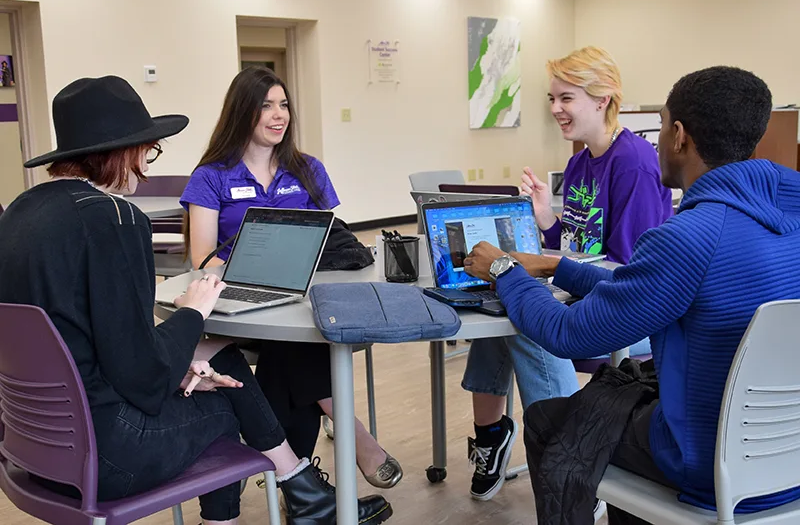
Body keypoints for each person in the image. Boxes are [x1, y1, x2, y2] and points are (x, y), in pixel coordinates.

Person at [0, 75, 393, 525]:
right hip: (106, 454)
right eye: (149, 150)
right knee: (231, 400)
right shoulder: (113, 220)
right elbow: (143, 380)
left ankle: (307, 495)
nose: (147, 165)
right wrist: (191, 313)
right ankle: (293, 497)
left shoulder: (19, 214)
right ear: (126, 149)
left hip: (34, 448)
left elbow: (84, 342)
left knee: (217, 360)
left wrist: (187, 360)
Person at [464, 66, 800, 516]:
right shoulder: (783, 214)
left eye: (660, 125)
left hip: (709, 466)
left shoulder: (690, 236)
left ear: (679, 135)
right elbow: (649, 286)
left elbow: (568, 334)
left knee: (551, 423)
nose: (656, 139)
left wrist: (504, 269)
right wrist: (556, 266)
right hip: (785, 458)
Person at [459, 46, 672, 503]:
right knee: (499, 304)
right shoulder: (578, 163)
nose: (555, 109)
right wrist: (545, 221)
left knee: (524, 321)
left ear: (603, 99)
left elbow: (624, 273)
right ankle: (493, 435)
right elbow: (581, 249)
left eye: (566, 98)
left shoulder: (633, 162)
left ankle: (572, 453)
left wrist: (545, 275)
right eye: (552, 99)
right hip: (585, 294)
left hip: (629, 316)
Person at [180, 66, 402, 489]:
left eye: (283, 105)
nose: (278, 115)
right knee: (297, 348)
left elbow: (331, 240)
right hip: (239, 306)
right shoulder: (211, 176)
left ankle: (298, 483)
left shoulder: (308, 170)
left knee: (290, 351)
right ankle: (353, 440)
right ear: (241, 112)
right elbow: (203, 259)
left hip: (304, 299)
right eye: (265, 106)